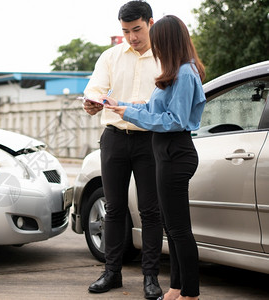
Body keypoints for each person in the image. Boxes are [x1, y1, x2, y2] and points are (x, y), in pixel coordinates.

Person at [103, 15, 206, 300]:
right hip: (166, 152)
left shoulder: (185, 73)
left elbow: (174, 120)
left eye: (158, 42)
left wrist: (132, 113)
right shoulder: (176, 73)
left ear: (168, 42)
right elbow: (152, 108)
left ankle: (190, 294)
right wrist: (119, 105)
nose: (154, 48)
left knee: (179, 230)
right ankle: (176, 287)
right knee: (172, 230)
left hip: (175, 152)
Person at [83, 1, 163, 298]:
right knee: (114, 208)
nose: (132, 37)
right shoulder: (111, 56)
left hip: (149, 140)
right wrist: (91, 102)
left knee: (151, 211)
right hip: (114, 138)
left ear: (151, 23)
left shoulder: (166, 56)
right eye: (126, 31)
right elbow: (95, 89)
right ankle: (111, 272)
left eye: (137, 29)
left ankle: (151, 277)